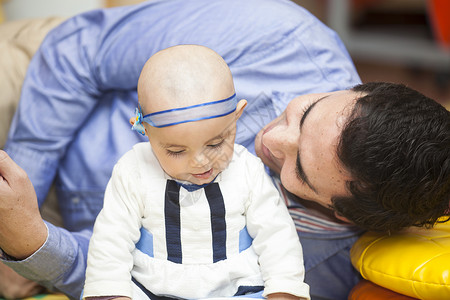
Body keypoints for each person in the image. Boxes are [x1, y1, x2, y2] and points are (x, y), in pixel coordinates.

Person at [0, 0, 448, 299]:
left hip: (63, 239)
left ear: (344, 213)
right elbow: (77, 51)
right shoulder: (283, 38)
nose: (269, 140)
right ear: (358, 90)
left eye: (300, 171)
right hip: (49, 102)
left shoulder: (309, 274)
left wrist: (34, 246)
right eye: (306, 111)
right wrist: (22, 189)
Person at [83, 44, 309, 300]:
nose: (200, 162)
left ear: (236, 117)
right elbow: (111, 241)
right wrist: (111, 292)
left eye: (215, 144)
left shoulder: (247, 170)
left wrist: (284, 290)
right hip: (151, 286)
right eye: (177, 151)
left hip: (235, 288)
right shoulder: (133, 170)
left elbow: (277, 236)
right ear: (144, 129)